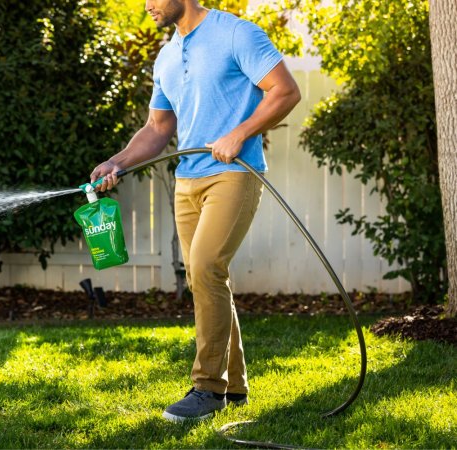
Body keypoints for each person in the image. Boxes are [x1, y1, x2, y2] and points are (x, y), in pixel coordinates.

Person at [90, 0, 301, 422]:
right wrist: (117, 163)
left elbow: (285, 91)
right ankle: (235, 387)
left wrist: (239, 133)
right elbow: (157, 128)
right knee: (207, 278)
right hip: (188, 181)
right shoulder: (167, 56)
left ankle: (207, 388)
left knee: (205, 268)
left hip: (233, 173)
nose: (146, 6)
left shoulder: (237, 33)